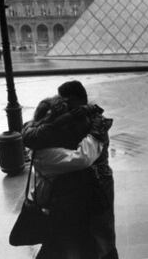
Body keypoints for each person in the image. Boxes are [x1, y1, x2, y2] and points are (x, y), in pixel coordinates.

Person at [22, 80, 118, 259]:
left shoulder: (43, 137)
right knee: (97, 239)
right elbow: (83, 158)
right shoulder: (47, 153)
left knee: (88, 239)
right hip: (79, 197)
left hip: (79, 195)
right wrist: (97, 129)